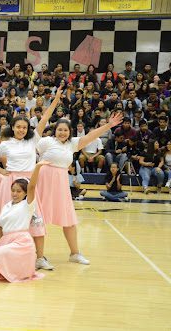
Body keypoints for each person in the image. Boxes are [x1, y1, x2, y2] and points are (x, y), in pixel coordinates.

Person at [0, 86, 63, 270]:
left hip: (29, 184)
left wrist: (56, 99)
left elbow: (44, 118)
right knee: (8, 220)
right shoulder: (5, 144)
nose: (21, 130)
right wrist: (1, 171)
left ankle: (40, 258)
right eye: (18, 127)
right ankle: (5, 252)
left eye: (24, 127)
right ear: (12, 128)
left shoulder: (33, 140)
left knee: (36, 220)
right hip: (11, 185)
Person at [36, 112, 123, 266]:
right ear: (55, 130)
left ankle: (75, 253)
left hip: (61, 183)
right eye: (60, 129)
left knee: (69, 220)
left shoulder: (72, 144)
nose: (62, 132)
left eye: (65, 130)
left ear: (70, 132)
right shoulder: (46, 142)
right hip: (43, 182)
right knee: (39, 220)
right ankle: (39, 257)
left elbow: (91, 136)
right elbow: (31, 144)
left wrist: (109, 125)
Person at [0, 161, 48, 282]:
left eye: (19, 191)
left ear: (25, 193)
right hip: (7, 240)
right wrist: (3, 240)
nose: (15, 194)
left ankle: (20, 271)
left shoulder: (27, 205)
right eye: (13, 190)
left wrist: (37, 167)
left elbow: (32, 186)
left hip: (23, 243)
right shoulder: (7, 206)